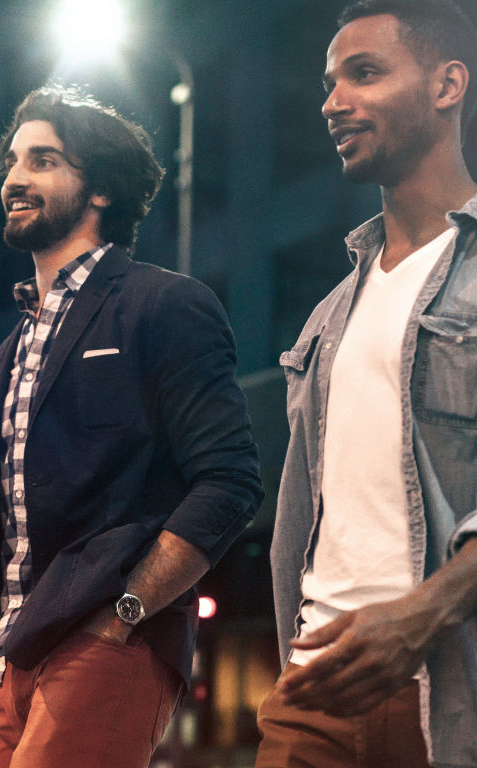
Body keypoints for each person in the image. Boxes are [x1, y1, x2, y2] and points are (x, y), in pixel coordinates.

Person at [0, 86, 263, 768]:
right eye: (13, 161)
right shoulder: (13, 349)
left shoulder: (164, 305)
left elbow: (230, 481)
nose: (15, 178)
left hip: (100, 643)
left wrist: (124, 615)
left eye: (43, 160)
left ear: (99, 187)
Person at [255, 2, 477, 766]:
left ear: (448, 84)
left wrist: (423, 613)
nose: (331, 102)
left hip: (449, 694)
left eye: (365, 73)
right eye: (328, 82)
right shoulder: (329, 315)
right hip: (313, 687)